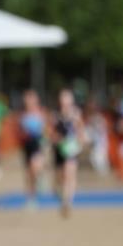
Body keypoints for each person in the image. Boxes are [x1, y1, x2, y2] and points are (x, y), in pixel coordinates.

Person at [49, 89, 85, 217]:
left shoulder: (76, 113)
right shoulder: (55, 115)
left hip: (71, 148)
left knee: (70, 173)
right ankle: (61, 194)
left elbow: (81, 128)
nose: (65, 102)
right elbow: (50, 132)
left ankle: (68, 202)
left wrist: (80, 141)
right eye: (63, 99)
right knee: (60, 177)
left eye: (67, 99)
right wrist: (55, 139)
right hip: (59, 149)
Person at [18, 88, 49, 207]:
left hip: (38, 144)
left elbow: (46, 129)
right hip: (27, 146)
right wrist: (23, 133)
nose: (29, 102)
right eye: (27, 99)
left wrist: (45, 140)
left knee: (35, 167)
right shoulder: (23, 114)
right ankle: (31, 198)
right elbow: (20, 132)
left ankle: (41, 178)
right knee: (29, 173)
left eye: (31, 99)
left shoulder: (41, 113)